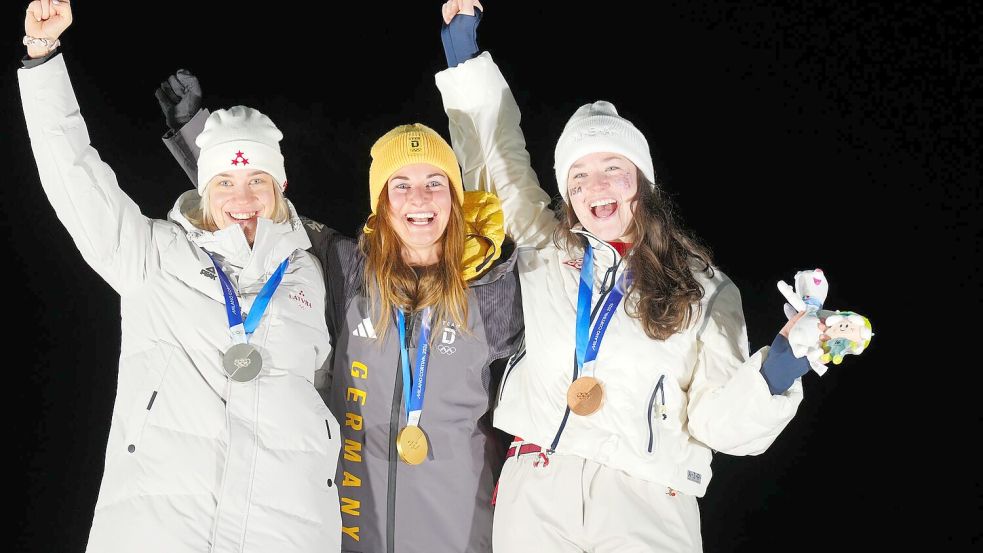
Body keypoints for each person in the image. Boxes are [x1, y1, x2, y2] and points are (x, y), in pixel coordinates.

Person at [432, 2, 838, 551]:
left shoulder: (705, 290)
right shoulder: (545, 248)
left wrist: (780, 368)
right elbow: (496, 156)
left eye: (613, 170)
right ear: (568, 191)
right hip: (538, 485)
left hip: (645, 498)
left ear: (641, 183)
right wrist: (465, 58)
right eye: (579, 175)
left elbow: (720, 425)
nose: (596, 187)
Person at [155, 5, 522, 552]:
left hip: (460, 534)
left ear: (456, 200)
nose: (418, 199)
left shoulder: (492, 284)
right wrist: (197, 135)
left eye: (434, 184)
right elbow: (262, 209)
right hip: (349, 528)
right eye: (400, 185)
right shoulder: (347, 267)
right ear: (379, 203)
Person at [19, 2, 341, 551]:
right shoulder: (152, 255)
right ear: (203, 189)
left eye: (257, 181)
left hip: (287, 529)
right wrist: (43, 60)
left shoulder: (312, 271)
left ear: (280, 188)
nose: (242, 199)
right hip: (162, 524)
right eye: (225, 184)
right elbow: (73, 174)